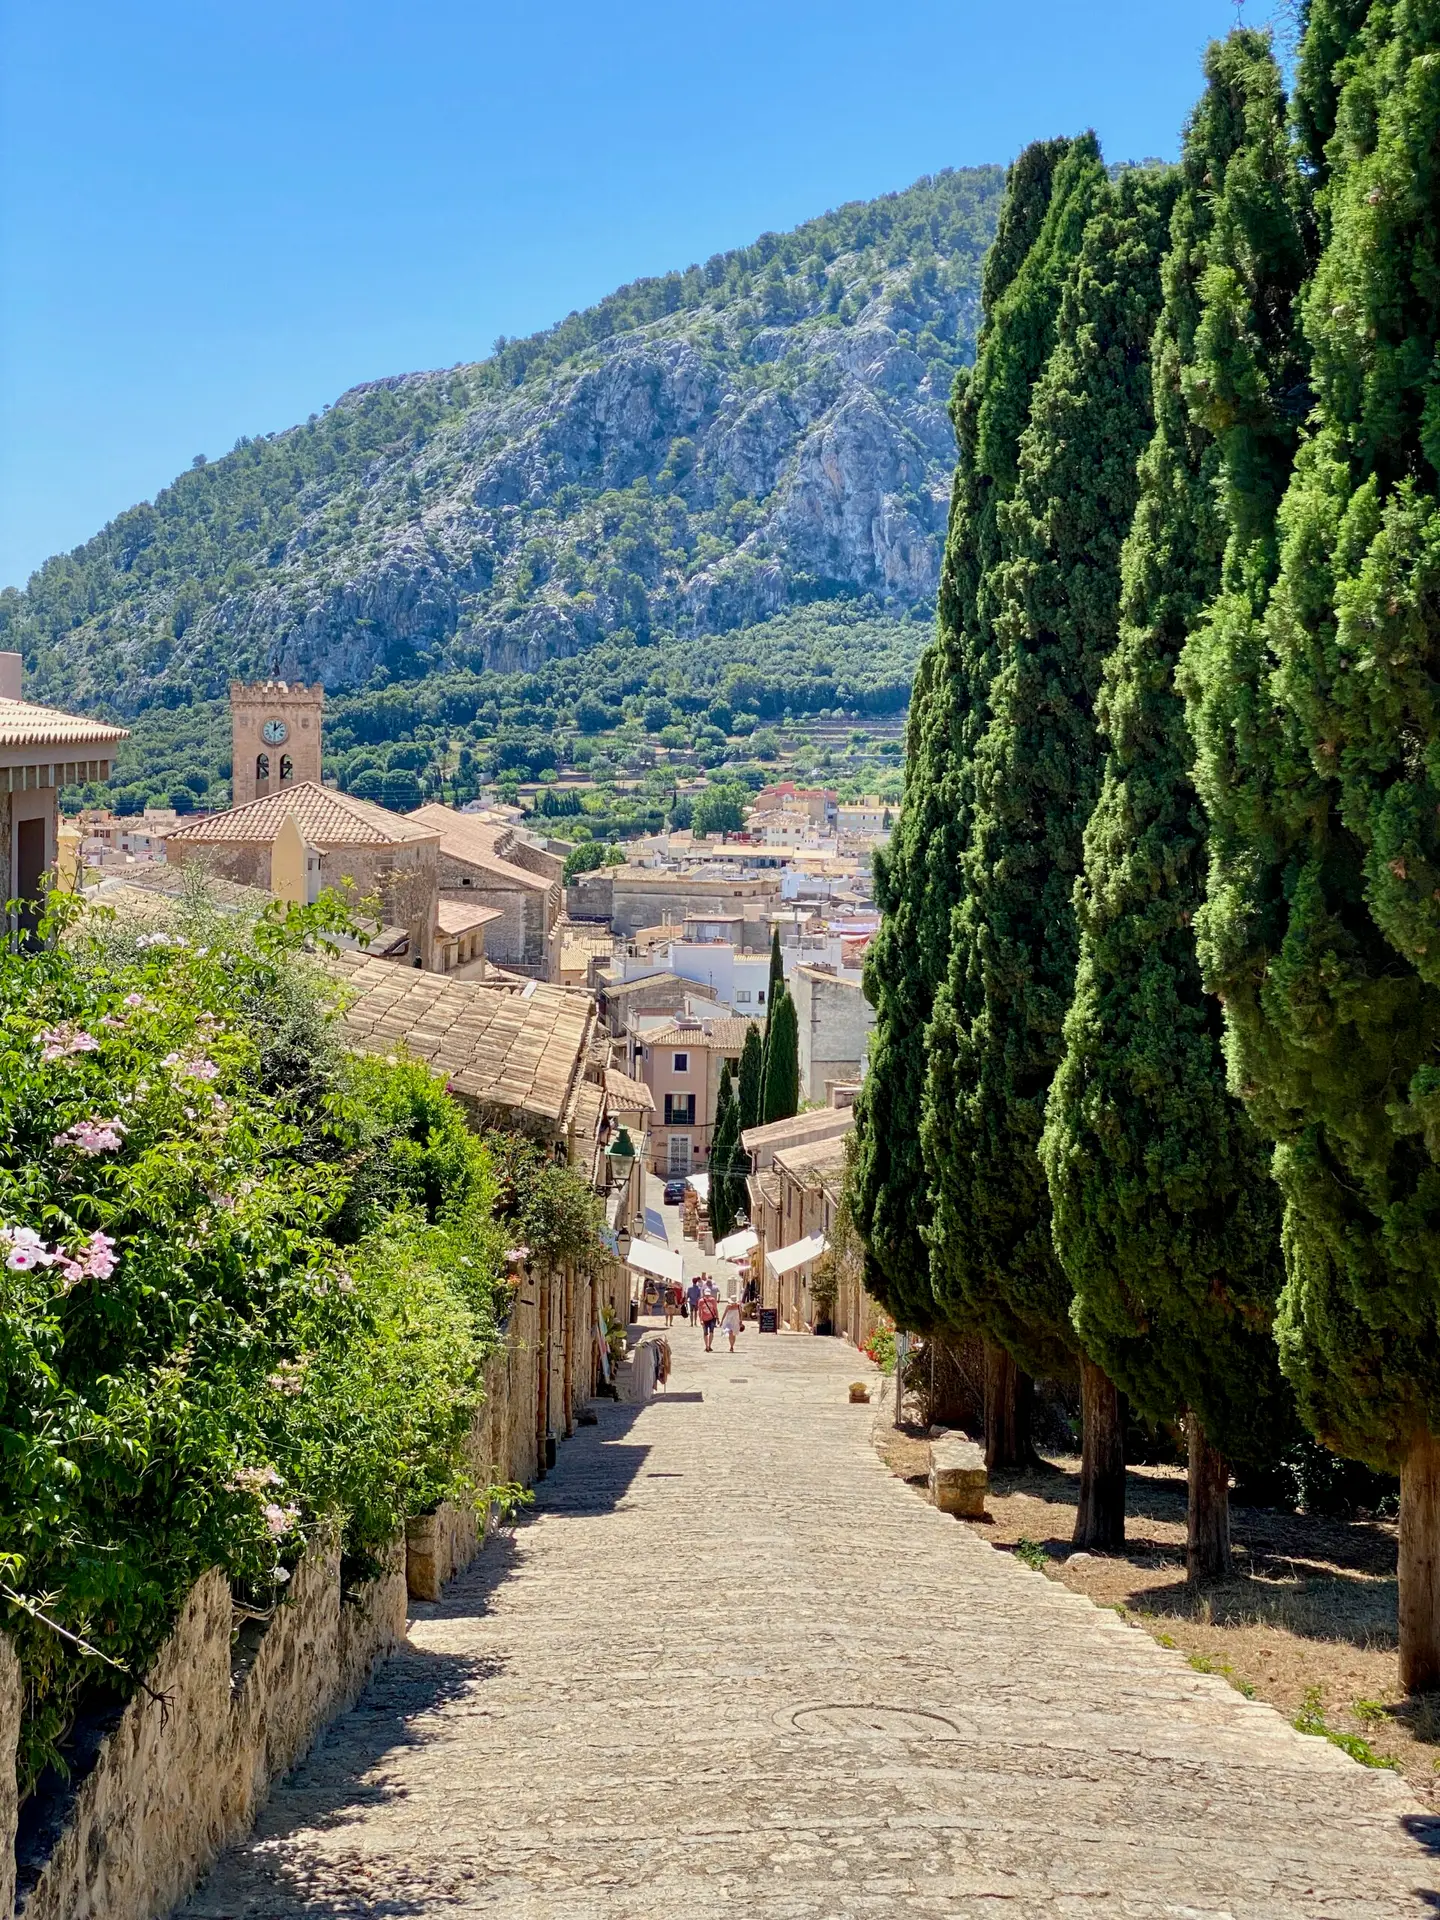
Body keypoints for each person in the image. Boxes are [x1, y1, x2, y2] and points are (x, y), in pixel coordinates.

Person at [697, 1285, 719, 1352]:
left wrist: (717, 1318)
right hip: (704, 1319)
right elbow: (699, 1311)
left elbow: (715, 1309)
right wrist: (700, 1320)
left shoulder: (712, 1300)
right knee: (705, 1333)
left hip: (712, 1318)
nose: (707, 1296)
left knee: (711, 1332)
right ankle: (706, 1346)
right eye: (706, 1295)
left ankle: (709, 1345)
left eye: (708, 1295)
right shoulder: (701, 1301)